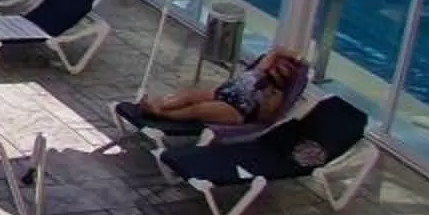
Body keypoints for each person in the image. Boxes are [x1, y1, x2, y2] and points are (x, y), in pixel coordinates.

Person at [119, 48, 307, 130]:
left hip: (236, 110)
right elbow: (277, 50)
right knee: (188, 95)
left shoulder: (275, 94)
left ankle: (161, 114)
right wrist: (297, 57)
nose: (277, 68)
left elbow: (266, 119)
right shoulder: (260, 70)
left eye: (284, 69)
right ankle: (155, 105)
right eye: (279, 65)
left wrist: (267, 98)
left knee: (198, 109)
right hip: (222, 94)